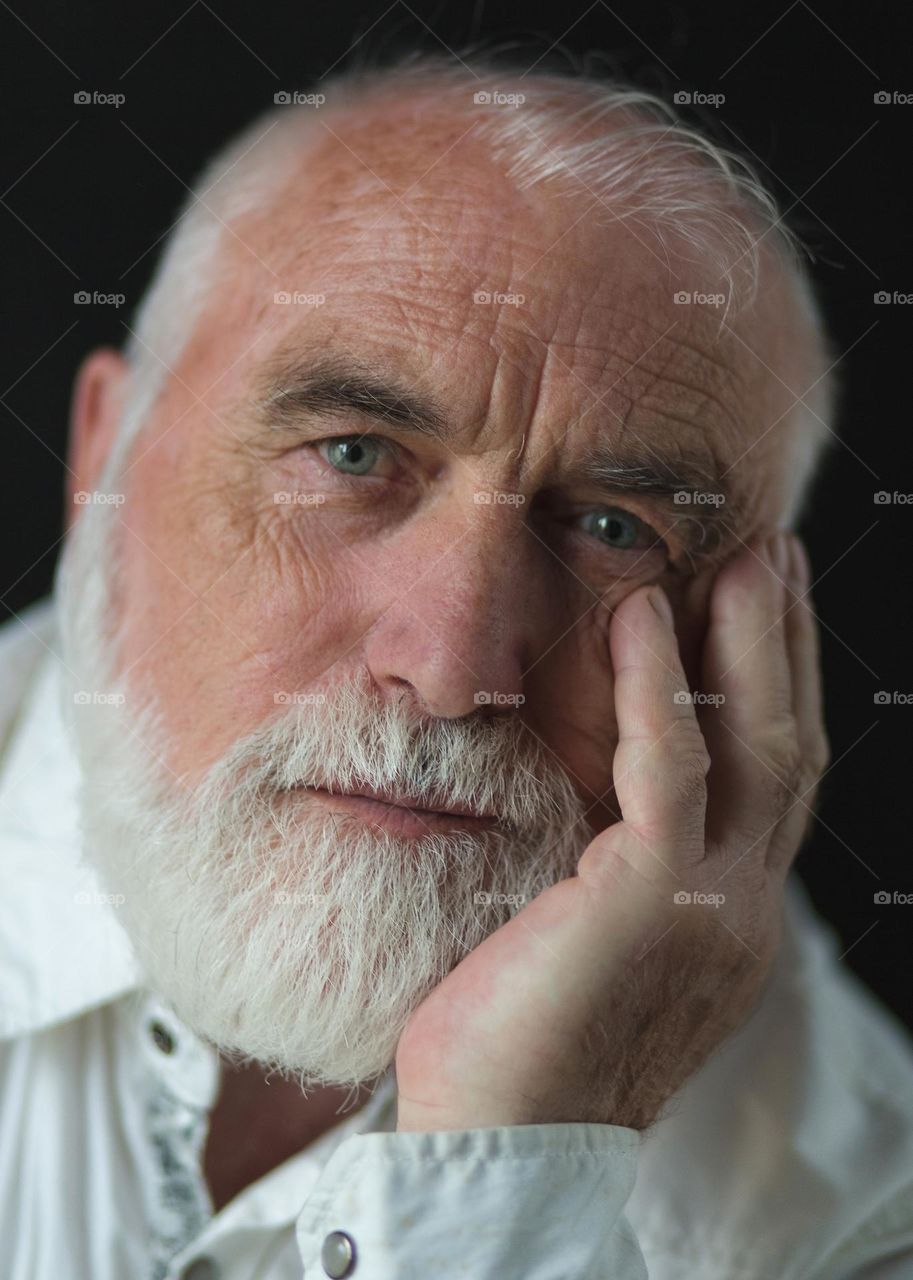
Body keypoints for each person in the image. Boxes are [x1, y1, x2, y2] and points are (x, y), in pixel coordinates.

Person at [2, 51, 912, 1280]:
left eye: (610, 529)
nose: (449, 668)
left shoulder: (852, 1212)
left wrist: (518, 1166)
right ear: (106, 455)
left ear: (746, 643)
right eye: (350, 453)